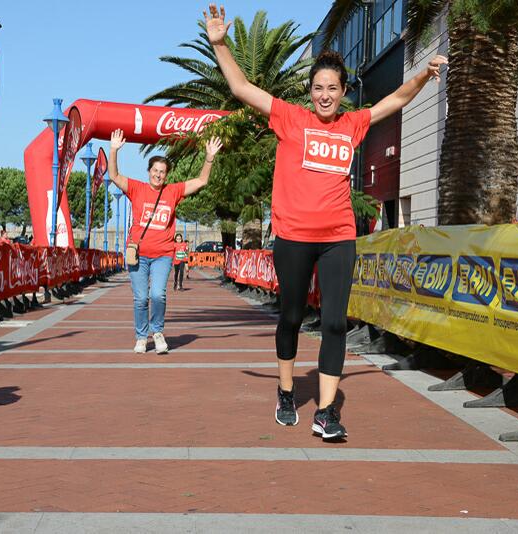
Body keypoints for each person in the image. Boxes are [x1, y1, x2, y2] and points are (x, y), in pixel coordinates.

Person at [205, 4, 447, 440]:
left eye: (331, 88)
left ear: (342, 92)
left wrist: (423, 76)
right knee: (293, 317)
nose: (324, 95)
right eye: (317, 87)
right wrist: (221, 44)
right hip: (293, 238)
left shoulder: (352, 124)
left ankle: (327, 412)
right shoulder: (289, 118)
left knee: (335, 322)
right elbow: (241, 87)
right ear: (310, 90)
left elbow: (393, 100)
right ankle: (285, 392)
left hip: (338, 238)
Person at [109, 129, 222, 354]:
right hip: (138, 254)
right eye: (155, 171)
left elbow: (202, 180)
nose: (158, 175)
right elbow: (114, 175)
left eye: (162, 172)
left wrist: (209, 157)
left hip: (162, 254)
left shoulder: (173, 191)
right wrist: (114, 150)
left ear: (166, 175)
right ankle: (142, 337)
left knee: (157, 294)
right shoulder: (136, 188)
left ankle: (157, 332)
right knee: (140, 298)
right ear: (148, 171)